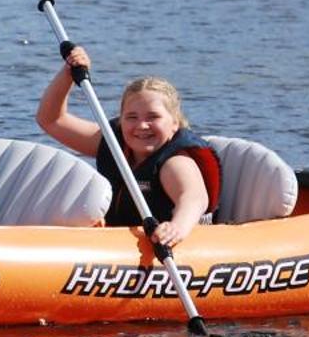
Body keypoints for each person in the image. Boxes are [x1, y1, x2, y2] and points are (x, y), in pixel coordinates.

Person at [36, 46, 219, 248]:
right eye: (132, 117)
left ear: (175, 123)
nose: (141, 126)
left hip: (165, 242)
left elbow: (194, 199)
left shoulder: (176, 162)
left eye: (153, 117)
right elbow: (51, 120)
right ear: (121, 121)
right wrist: (68, 74)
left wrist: (176, 228)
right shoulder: (113, 143)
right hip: (120, 241)